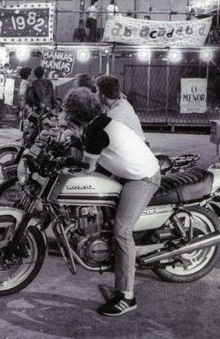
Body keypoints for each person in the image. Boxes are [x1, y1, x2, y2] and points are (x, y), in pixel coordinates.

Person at [62, 87, 160, 317]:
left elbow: (87, 167)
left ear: (77, 115)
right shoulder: (98, 122)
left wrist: (68, 155)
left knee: (122, 231)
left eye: (67, 114)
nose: (64, 117)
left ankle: (127, 296)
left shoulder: (96, 130)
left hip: (143, 177)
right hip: (125, 170)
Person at [95, 75, 146, 143]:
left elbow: (108, 139)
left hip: (133, 149)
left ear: (103, 94)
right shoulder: (117, 103)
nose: (95, 94)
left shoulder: (117, 112)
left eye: (97, 90)